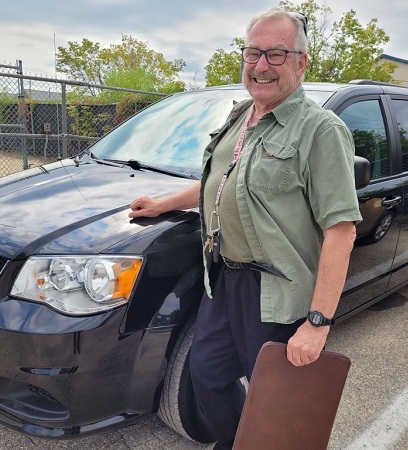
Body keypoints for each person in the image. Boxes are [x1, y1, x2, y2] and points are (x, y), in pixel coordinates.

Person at [129, 8, 362, 449]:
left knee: (277, 398)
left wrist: (317, 323)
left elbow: (341, 231)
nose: (260, 66)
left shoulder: (321, 130)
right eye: (253, 53)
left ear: (301, 63)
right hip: (227, 278)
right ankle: (238, 441)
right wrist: (162, 203)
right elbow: (220, 181)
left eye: (276, 55)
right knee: (207, 374)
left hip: (278, 294)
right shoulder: (242, 116)